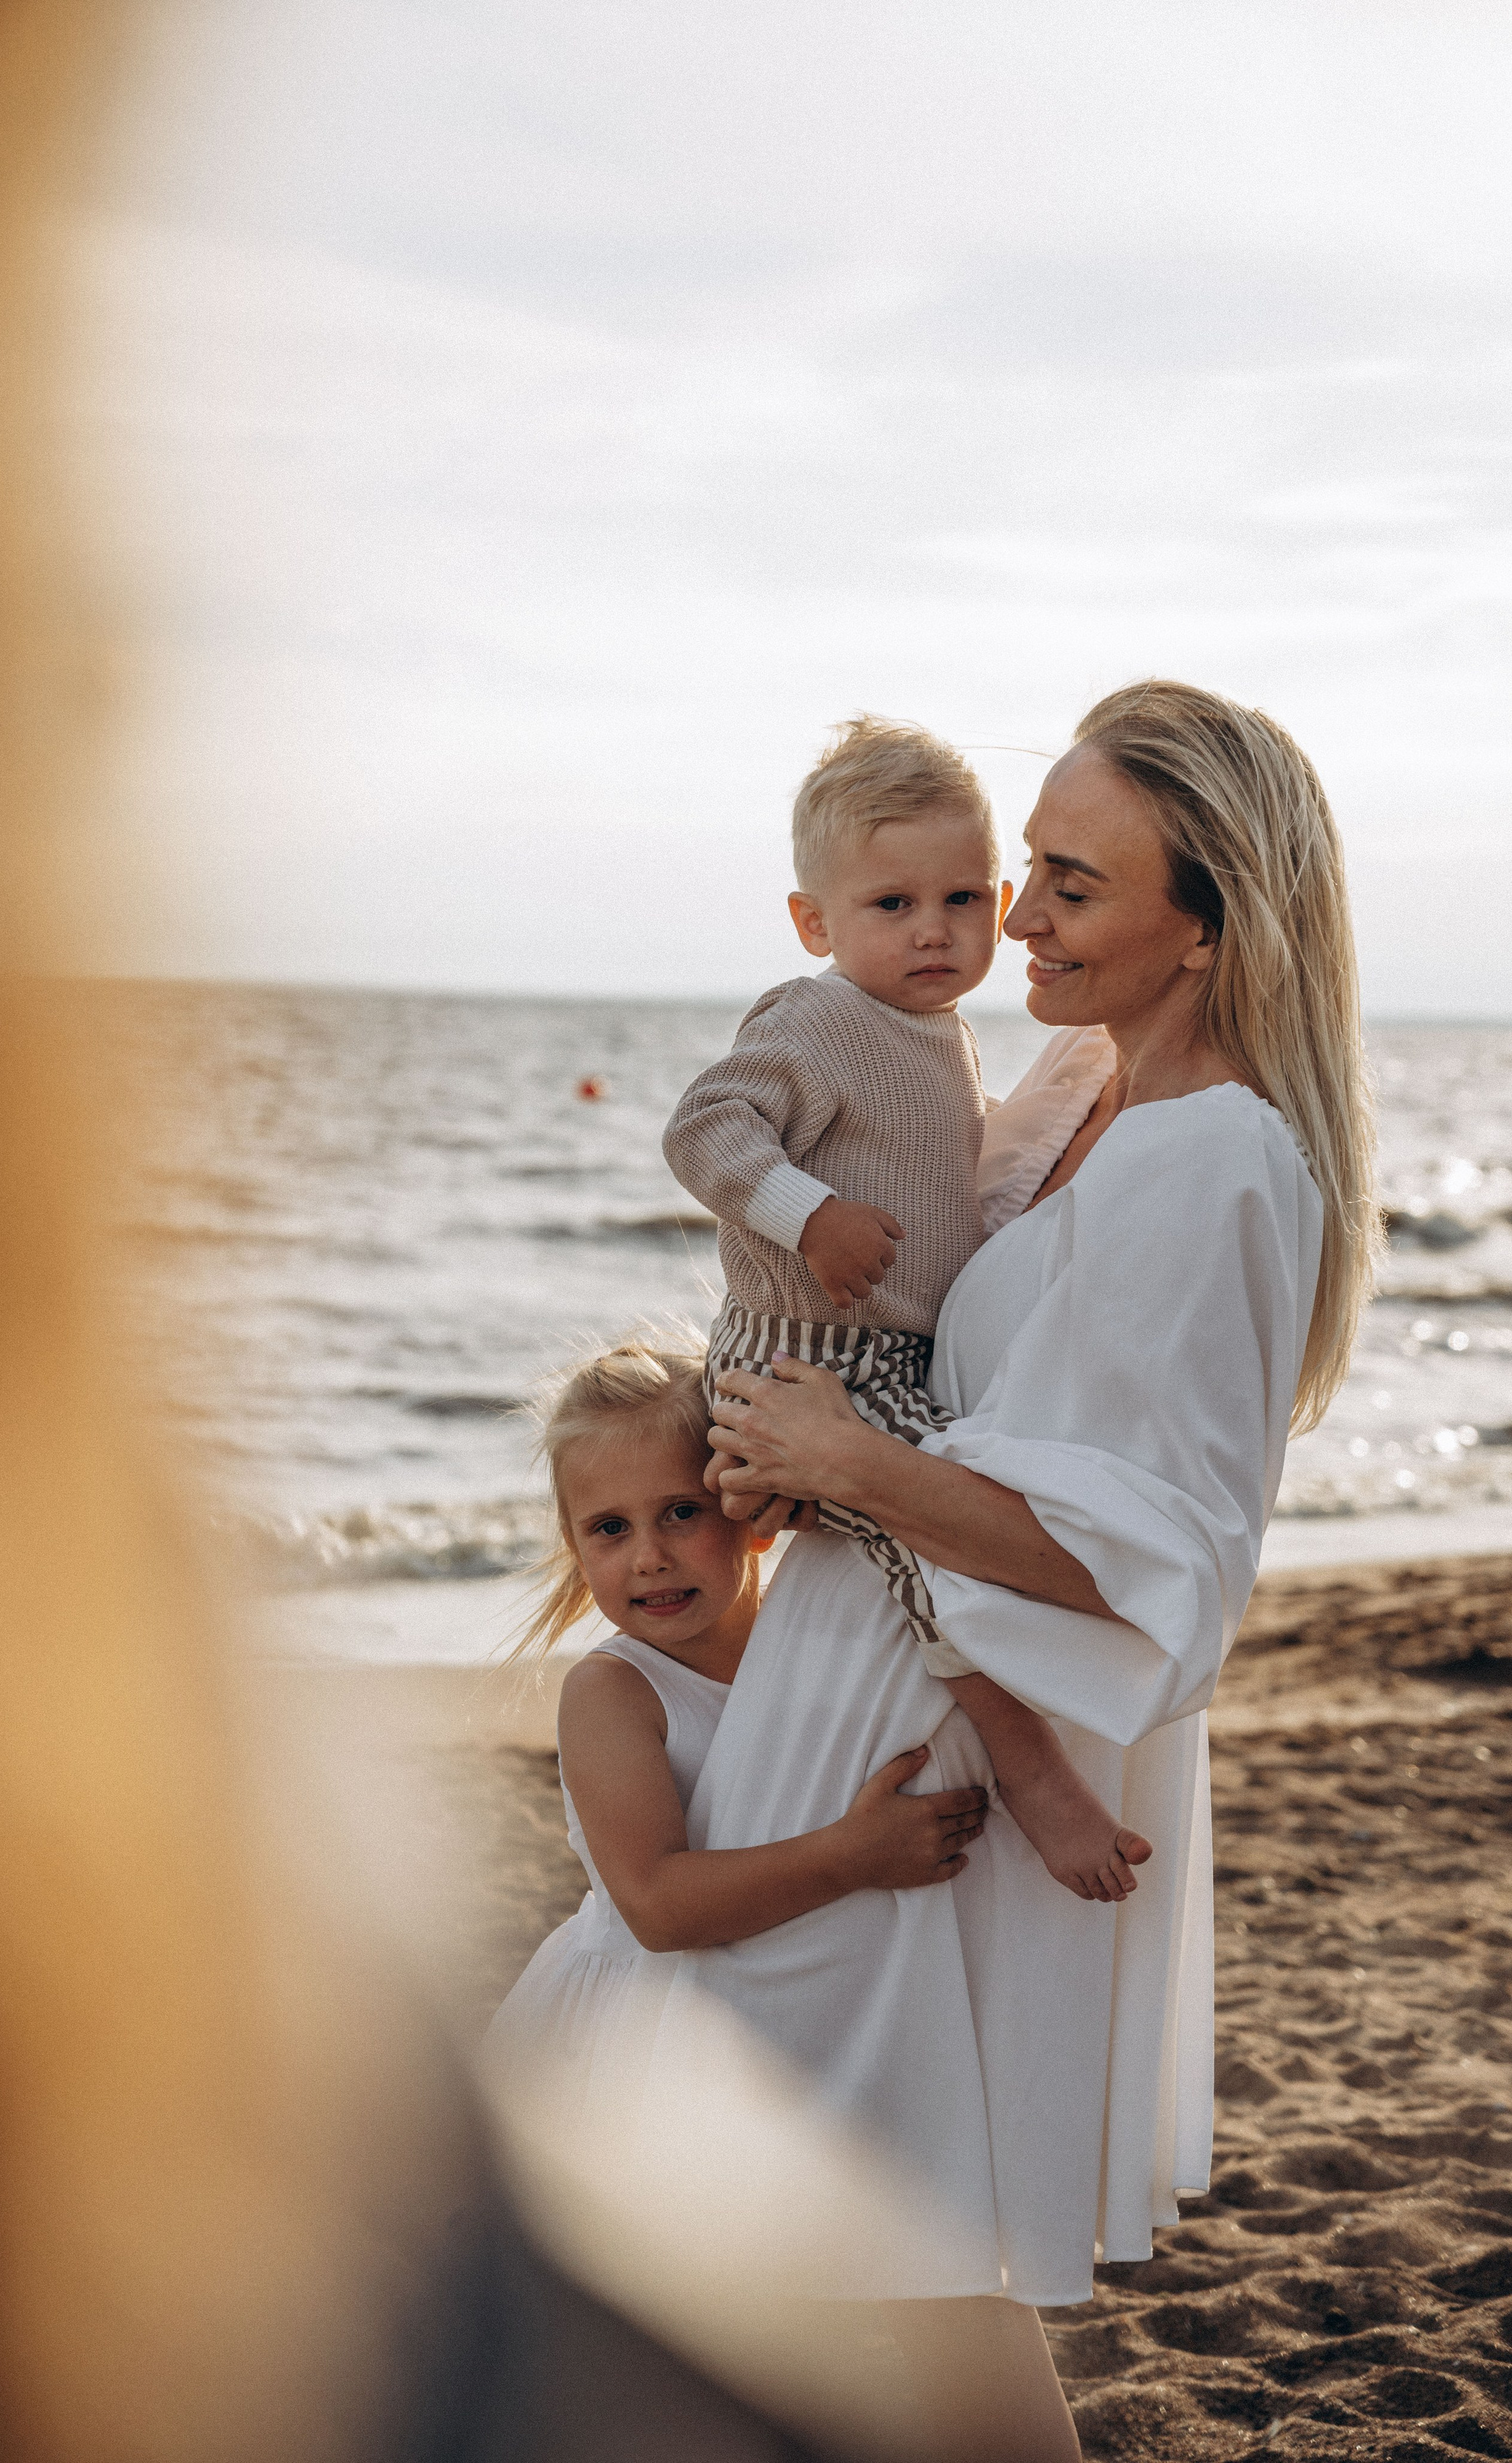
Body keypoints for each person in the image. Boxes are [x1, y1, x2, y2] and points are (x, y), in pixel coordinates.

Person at [651, 679, 1379, 2462]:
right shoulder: (1078, 1092)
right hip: (877, 1669)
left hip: (959, 1744)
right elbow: (953, 1378)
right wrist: (783, 1460)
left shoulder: (1214, 1159)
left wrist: (847, 1460)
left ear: (1204, 928)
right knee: (854, 2251)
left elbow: (1160, 1564)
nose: (1014, 918)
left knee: (872, 2246)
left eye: (1069, 883)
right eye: (1024, 869)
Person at [664, 716, 1152, 1902]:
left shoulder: (942, 1034)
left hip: (880, 1354)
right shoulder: (817, 1015)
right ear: (815, 922)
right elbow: (704, 1128)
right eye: (891, 904)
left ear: (998, 901)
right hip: (808, 1354)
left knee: (953, 1522)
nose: (933, 929)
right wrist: (810, 1214)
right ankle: (1032, 1769)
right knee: (938, 1547)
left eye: (960, 899)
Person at [488, 1337, 985, 2101]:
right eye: (610, 1528)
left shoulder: (812, 1637)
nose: (648, 1556)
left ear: (753, 1507)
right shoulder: (614, 1691)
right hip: (644, 2024)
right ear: (575, 1547)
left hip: (782, 2004)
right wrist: (852, 1855)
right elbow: (655, 1905)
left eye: (681, 1512)